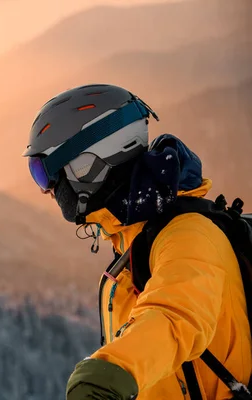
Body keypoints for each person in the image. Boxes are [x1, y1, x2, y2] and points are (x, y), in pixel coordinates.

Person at [22, 84, 251, 399]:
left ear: (86, 167)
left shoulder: (189, 236)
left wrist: (109, 374)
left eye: (43, 172)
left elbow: (174, 315)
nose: (45, 189)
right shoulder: (135, 235)